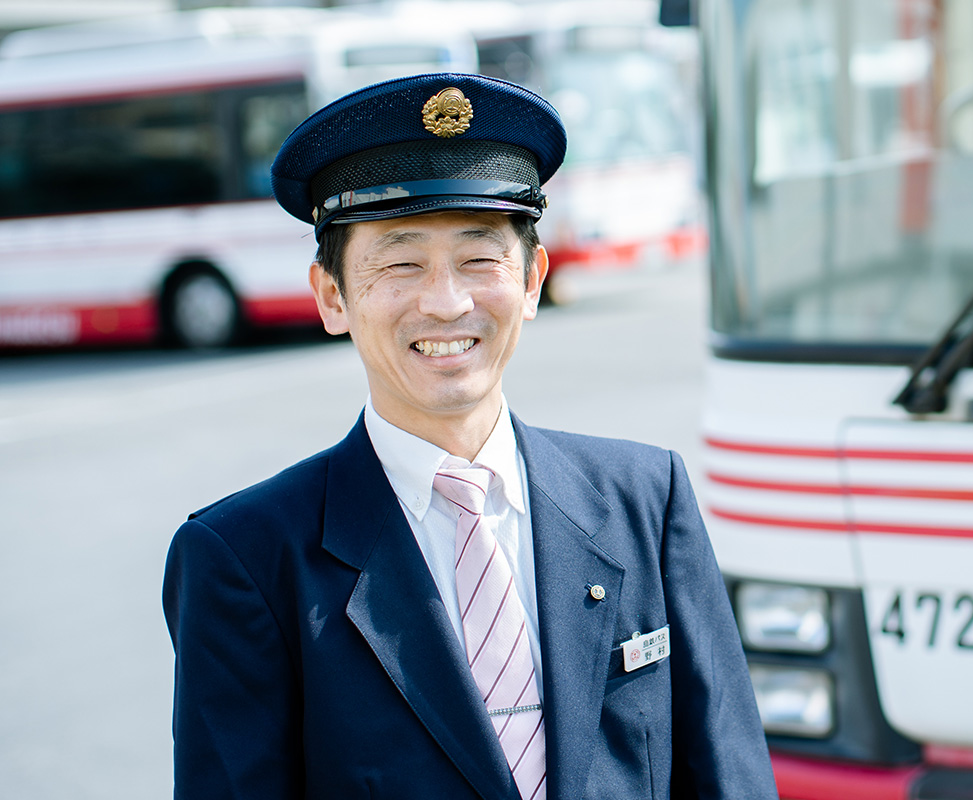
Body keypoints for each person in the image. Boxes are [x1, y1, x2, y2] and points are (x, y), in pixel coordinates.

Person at [161, 73, 778, 800]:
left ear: (532, 279)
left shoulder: (646, 499)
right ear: (333, 297)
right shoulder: (248, 559)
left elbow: (730, 777)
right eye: (400, 262)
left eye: (480, 259)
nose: (447, 302)